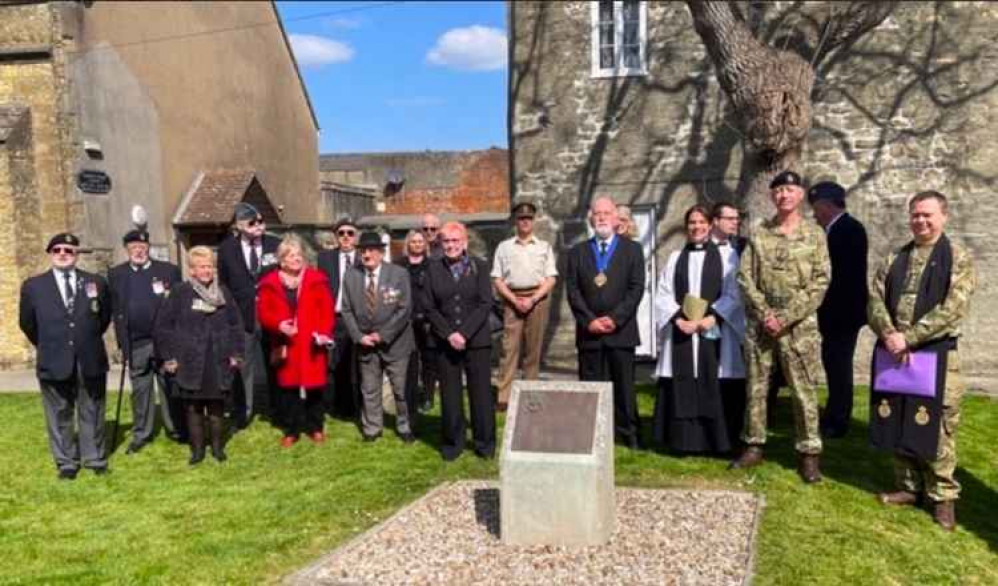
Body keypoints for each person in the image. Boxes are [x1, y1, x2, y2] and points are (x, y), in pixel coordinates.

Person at [868, 191, 975, 531]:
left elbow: (953, 307)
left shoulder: (958, 257)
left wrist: (909, 338)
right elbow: (874, 299)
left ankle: (943, 497)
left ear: (944, 216)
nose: (921, 221)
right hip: (895, 352)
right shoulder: (895, 257)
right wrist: (888, 333)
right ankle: (908, 487)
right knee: (899, 416)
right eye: (915, 215)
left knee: (938, 427)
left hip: (936, 355)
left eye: (928, 215)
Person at [730, 170, 830, 483]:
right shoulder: (760, 232)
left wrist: (785, 317)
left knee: (804, 391)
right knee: (756, 388)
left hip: (799, 328)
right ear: (773, 196)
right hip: (761, 326)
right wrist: (765, 314)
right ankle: (754, 445)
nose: (783, 195)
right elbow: (745, 276)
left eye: (789, 190)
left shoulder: (815, 234)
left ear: (800, 195)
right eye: (778, 191)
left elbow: (821, 281)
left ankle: (809, 453)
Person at [652, 205, 745, 454]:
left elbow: (735, 293)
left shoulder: (728, 258)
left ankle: (717, 442)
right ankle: (682, 442)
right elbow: (663, 294)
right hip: (683, 332)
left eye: (701, 222)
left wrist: (713, 317)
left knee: (713, 380)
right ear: (686, 227)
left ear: (710, 225)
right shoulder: (674, 258)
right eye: (692, 223)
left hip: (713, 331)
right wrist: (677, 320)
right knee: (683, 382)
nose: (697, 227)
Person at [19, 233, 112, 479]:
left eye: (69, 250)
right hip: (54, 357)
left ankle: (94, 457)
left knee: (92, 408)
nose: (63, 254)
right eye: (57, 249)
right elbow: (27, 323)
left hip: (89, 357)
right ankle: (67, 462)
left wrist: (84, 340)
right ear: (50, 254)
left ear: (76, 255)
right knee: (59, 411)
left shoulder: (96, 283)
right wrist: (51, 344)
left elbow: (103, 318)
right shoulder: (34, 286)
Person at [566, 196, 646, 449]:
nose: (601, 217)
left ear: (615, 218)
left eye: (606, 213)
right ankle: (593, 434)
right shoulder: (577, 252)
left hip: (621, 331)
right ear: (591, 219)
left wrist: (615, 318)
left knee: (623, 386)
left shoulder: (632, 250)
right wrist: (590, 321)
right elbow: (573, 291)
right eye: (597, 213)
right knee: (591, 386)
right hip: (590, 333)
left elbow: (636, 289)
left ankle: (628, 433)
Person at [155, 246, 244, 465]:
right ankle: (197, 451)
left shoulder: (223, 292)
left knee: (216, 406)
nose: (207, 270)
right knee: (193, 407)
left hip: (218, 359)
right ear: (192, 270)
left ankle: (216, 448)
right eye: (201, 266)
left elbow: (236, 324)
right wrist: (169, 357)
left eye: (210, 266)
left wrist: (236, 353)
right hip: (189, 360)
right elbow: (163, 327)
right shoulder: (180, 292)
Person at [423, 221, 495, 460]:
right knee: (450, 395)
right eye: (446, 241)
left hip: (476, 340)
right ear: (441, 244)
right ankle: (453, 443)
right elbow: (430, 307)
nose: (451, 245)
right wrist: (449, 334)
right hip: (445, 342)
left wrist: (464, 333)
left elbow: (486, 303)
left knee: (481, 394)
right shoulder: (432, 268)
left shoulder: (480, 267)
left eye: (455, 241)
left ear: (465, 243)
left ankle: (484, 444)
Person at [108, 229, 184, 452]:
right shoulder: (116, 274)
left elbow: (178, 307)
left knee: (169, 385)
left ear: (148, 247)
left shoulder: (169, 271)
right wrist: (121, 343)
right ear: (127, 250)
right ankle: (142, 433)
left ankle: (175, 428)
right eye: (133, 247)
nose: (138, 250)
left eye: (142, 246)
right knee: (141, 390)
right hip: (136, 342)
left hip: (164, 342)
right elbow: (114, 309)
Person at [256, 235, 335, 447]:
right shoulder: (270, 283)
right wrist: (278, 325)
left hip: (311, 343)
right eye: (291, 255)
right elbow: (263, 313)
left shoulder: (316, 279)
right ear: (281, 260)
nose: (296, 259)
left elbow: (326, 311)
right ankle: (291, 429)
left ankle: (315, 427)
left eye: (299, 255)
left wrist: (323, 333)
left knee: (315, 388)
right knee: (288, 389)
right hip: (286, 344)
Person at [341, 232, 416, 443]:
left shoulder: (399, 274)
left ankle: (405, 426)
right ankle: (372, 428)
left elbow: (404, 309)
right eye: (363, 250)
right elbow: (346, 310)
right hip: (365, 344)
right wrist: (358, 336)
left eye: (371, 250)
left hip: (395, 344)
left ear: (381, 253)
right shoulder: (351, 275)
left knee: (400, 390)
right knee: (370, 389)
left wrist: (383, 335)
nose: (366, 254)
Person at [808, 181, 868, 438]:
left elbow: (843, 278)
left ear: (826, 205)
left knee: (839, 366)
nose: (813, 214)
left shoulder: (849, 229)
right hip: (834, 313)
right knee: (832, 364)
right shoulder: (833, 230)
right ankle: (834, 412)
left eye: (816, 207)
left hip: (842, 314)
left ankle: (838, 419)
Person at [216, 202, 280, 428]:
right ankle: (243, 412)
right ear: (240, 225)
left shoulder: (275, 244)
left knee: (275, 363)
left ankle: (276, 410)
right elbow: (223, 285)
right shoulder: (226, 249)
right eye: (252, 223)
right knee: (243, 367)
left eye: (261, 221)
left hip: (271, 314)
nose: (258, 226)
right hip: (242, 316)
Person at [491, 201, 558, 412]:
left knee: (533, 350)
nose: (525, 222)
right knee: (509, 349)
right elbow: (497, 278)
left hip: (537, 300)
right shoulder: (504, 247)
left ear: (534, 221)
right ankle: (504, 396)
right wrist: (513, 299)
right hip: (512, 300)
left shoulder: (544, 247)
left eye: (528, 218)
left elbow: (551, 278)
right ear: (515, 221)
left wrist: (533, 298)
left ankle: (530, 393)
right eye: (521, 218)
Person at [709, 203, 749, 442]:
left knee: (734, 377)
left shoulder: (742, 246)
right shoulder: (699, 248)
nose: (736, 222)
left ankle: (733, 431)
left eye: (738, 218)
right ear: (715, 220)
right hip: (706, 319)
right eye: (730, 218)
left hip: (735, 321)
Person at [317, 217, 363, 418]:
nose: (345, 237)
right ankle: (341, 407)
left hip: (359, 319)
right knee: (337, 364)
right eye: (341, 233)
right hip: (335, 318)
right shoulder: (325, 258)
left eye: (350, 233)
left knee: (360, 364)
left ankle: (362, 405)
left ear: (356, 236)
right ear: (336, 236)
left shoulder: (365, 257)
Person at [399, 229, 438, 417]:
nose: (417, 244)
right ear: (408, 244)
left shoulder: (433, 265)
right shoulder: (399, 266)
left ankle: (428, 395)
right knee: (410, 360)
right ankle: (411, 395)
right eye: (413, 242)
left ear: (425, 245)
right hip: (406, 320)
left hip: (427, 320)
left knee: (429, 360)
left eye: (420, 241)